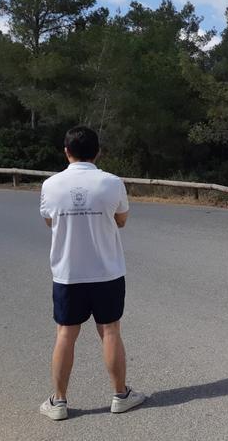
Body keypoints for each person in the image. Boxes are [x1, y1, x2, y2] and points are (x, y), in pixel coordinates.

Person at [38, 126, 145, 420]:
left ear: (66, 151)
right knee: (110, 330)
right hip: (107, 272)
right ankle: (120, 395)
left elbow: (50, 222)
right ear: (98, 151)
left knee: (65, 334)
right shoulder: (112, 183)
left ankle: (58, 402)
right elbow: (121, 220)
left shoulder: (51, 185)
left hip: (67, 274)